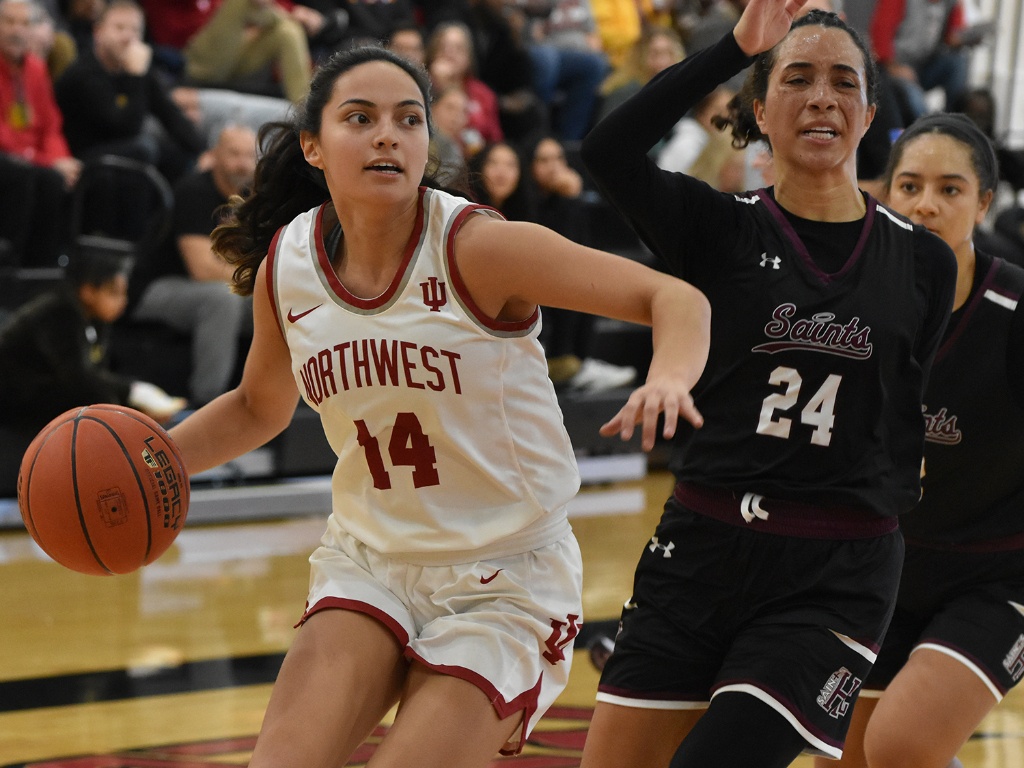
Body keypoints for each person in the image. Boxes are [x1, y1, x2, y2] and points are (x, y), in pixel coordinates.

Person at [167, 44, 711, 767]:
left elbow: (673, 296)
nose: (387, 135)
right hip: (370, 561)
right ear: (313, 146)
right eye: (359, 118)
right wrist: (157, 463)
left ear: (428, 140)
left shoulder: (478, 248)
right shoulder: (288, 264)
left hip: (505, 577)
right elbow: (255, 407)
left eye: (408, 119)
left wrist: (669, 377)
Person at [577, 2, 958, 766]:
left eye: (844, 81)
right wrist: (734, 47)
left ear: (870, 111)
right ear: (759, 108)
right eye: (798, 77)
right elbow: (609, 151)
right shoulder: (715, 227)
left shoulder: (924, 263)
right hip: (699, 553)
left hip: (835, 576)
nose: (823, 96)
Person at [814, 113, 1024, 768]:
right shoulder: (854, 311)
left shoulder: (1015, 314)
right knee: (840, 756)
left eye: (951, 189)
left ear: (984, 202)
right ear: (885, 195)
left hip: (1000, 575)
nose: (927, 204)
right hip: (886, 569)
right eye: (910, 186)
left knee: (903, 744)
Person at [129, 123, 257, 406]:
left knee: (280, 300)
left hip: (217, 285)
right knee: (222, 300)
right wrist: (258, 278)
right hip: (155, 287)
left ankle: (272, 404)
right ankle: (208, 405)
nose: (242, 164)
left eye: (249, 155)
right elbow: (203, 269)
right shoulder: (195, 191)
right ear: (214, 155)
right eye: (234, 154)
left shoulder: (252, 199)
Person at [0, 250, 186, 439]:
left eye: (124, 294)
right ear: (88, 291)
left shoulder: (93, 318)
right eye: (114, 293)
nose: (123, 302)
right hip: (15, 404)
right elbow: (78, 378)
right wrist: (131, 398)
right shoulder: (58, 312)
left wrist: (132, 399)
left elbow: (94, 374)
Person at [528, 132, 638, 390]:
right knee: (564, 277)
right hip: (534, 279)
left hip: (558, 274)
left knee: (584, 273)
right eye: (543, 160)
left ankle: (576, 361)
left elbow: (578, 245)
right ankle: (562, 360)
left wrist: (572, 200)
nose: (553, 166)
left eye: (558, 158)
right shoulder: (525, 201)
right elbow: (550, 252)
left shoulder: (563, 197)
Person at [54, 0, 206, 185]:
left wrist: (205, 153)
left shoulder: (138, 70)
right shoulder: (84, 73)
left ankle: (161, 214)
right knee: (143, 148)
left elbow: (170, 115)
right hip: (80, 158)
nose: (128, 37)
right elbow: (124, 128)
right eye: (119, 28)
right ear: (98, 32)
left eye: (135, 30)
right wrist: (135, 77)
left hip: (121, 150)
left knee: (178, 153)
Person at [0, 0, 80, 268]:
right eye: (9, 22)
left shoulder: (35, 68)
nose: (17, 30)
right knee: (29, 176)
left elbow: (51, 125)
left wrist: (60, 160)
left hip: (33, 160)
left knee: (57, 181)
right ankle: (10, 268)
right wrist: (43, 159)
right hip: (8, 159)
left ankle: (41, 273)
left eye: (24, 24)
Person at [869, 0, 975, 123]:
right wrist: (894, 67)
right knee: (916, 102)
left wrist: (968, 36)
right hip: (896, 67)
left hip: (926, 66)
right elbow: (880, 35)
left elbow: (953, 37)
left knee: (959, 61)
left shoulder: (950, 3)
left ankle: (953, 123)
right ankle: (927, 129)